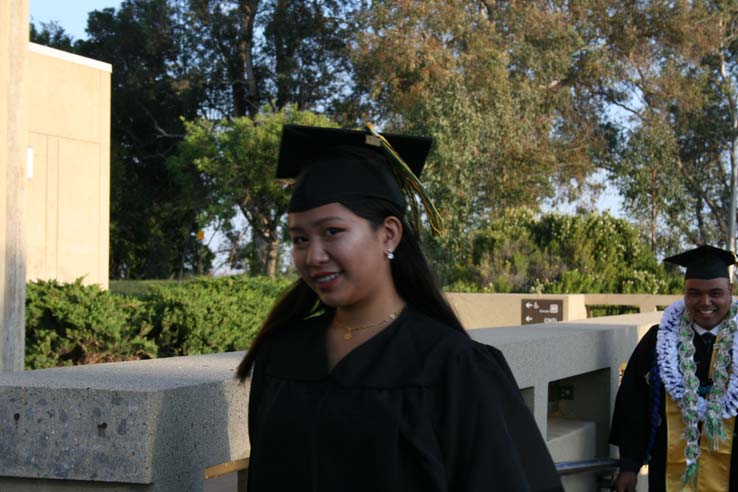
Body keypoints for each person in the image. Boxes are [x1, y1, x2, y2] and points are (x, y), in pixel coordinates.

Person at [236, 124, 563, 492]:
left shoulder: (453, 367)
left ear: (388, 234)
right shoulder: (282, 355)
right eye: (299, 239)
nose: (313, 256)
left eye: (332, 232)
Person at [610, 244, 738, 492]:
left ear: (730, 291)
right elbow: (634, 404)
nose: (705, 302)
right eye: (694, 293)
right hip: (669, 469)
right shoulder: (658, 341)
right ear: (684, 293)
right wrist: (629, 465)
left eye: (715, 293)